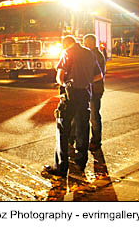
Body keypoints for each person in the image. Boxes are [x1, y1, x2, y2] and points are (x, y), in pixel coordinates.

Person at [43, 35, 102, 177]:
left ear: (66, 44)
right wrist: (86, 81)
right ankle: (81, 163)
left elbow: (60, 77)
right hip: (85, 95)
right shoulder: (90, 53)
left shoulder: (67, 53)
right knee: (83, 127)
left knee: (63, 129)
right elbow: (99, 75)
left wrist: (65, 85)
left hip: (70, 95)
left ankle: (61, 167)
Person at [83, 34, 106, 151]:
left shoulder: (97, 56)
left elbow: (98, 74)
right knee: (88, 115)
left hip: (95, 90)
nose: (85, 45)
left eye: (86, 43)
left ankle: (96, 141)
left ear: (92, 43)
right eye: (84, 43)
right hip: (89, 89)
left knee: (94, 116)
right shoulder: (90, 54)